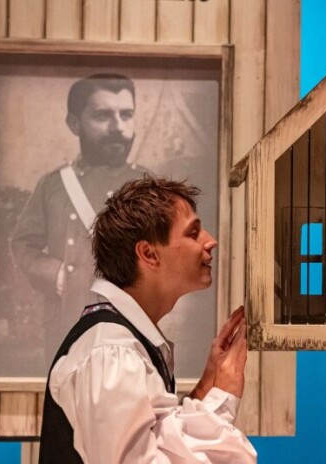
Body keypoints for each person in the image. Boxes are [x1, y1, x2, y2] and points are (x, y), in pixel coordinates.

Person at [39, 176, 257, 463]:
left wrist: (206, 387)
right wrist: (222, 396)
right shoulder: (112, 353)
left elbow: (160, 442)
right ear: (149, 254)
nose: (210, 241)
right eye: (193, 233)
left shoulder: (119, 345)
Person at [10, 74, 151, 363]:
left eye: (126, 115)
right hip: (68, 327)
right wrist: (58, 275)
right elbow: (23, 244)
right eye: (103, 115)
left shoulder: (149, 185)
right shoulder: (54, 185)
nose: (118, 127)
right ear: (74, 124)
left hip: (131, 331)